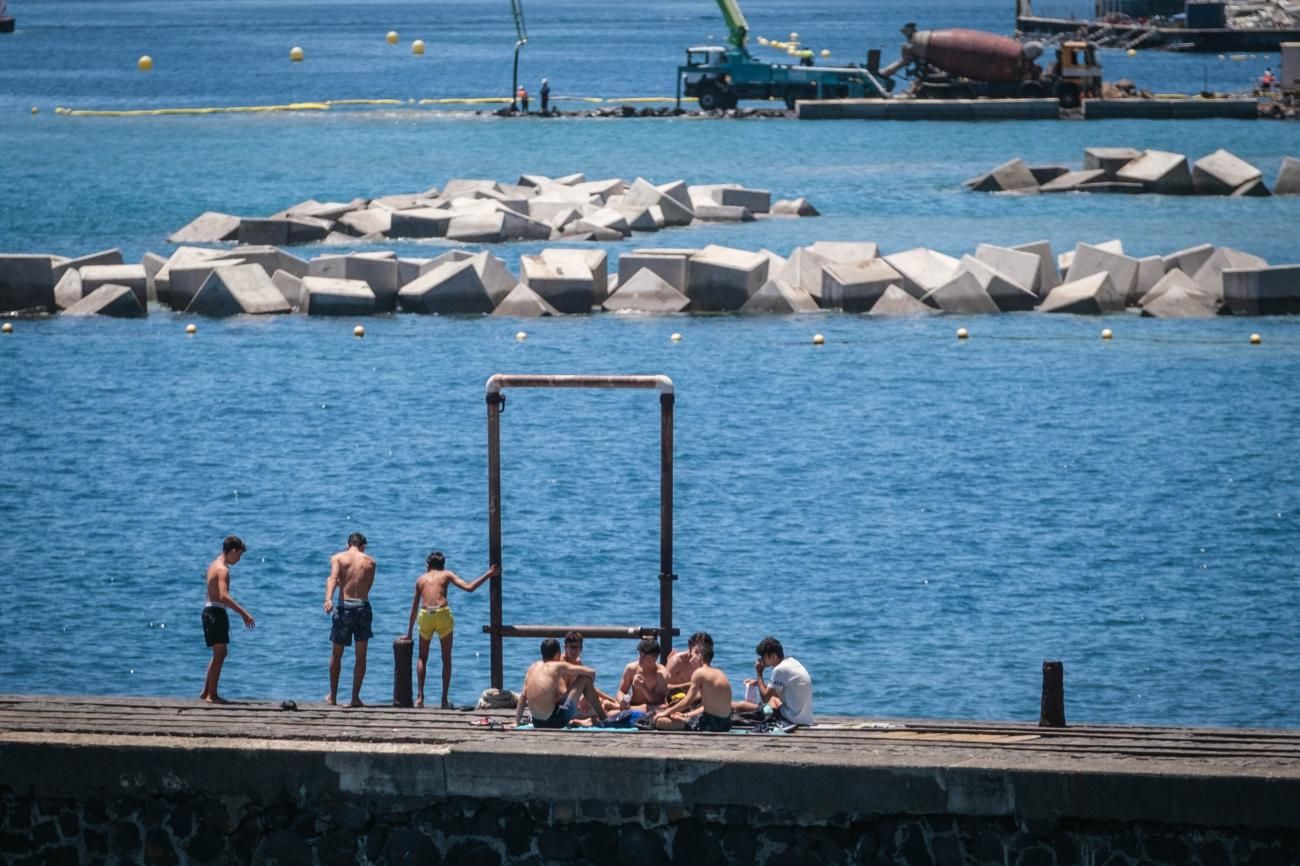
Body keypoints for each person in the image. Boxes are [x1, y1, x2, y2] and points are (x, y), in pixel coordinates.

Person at [404, 552, 499, 709]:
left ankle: (420, 698)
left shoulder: (421, 579)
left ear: (428, 565)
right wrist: (489, 574)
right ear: (443, 565)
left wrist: (409, 632)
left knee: (422, 657)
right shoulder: (446, 574)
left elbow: (414, 608)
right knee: (446, 657)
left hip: (426, 614)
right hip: (442, 614)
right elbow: (469, 588)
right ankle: (444, 700)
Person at [200, 536, 255, 703]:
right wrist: (243, 613)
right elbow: (223, 595)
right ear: (232, 551)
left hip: (210, 609)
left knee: (219, 653)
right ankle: (212, 695)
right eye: (238, 555)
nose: (238, 559)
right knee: (220, 653)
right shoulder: (223, 570)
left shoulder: (213, 565)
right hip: (215, 611)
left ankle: (206, 692)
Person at [324, 532, 376, 707]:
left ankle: (333, 696)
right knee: (360, 657)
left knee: (336, 654)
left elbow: (333, 578)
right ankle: (354, 697)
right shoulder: (370, 561)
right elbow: (368, 586)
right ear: (363, 546)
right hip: (362, 606)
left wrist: (328, 599)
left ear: (348, 545)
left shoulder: (338, 558)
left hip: (344, 607)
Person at [515, 638, 607, 728]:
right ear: (557, 654)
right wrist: (586, 699)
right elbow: (591, 672)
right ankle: (604, 718)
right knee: (585, 679)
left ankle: (587, 718)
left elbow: (523, 696)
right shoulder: (557, 666)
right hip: (554, 722)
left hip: (537, 722)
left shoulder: (532, 667)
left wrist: (516, 722)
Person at [654, 640, 733, 732]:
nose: (690, 660)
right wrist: (685, 715)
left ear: (699, 656)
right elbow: (707, 706)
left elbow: (687, 702)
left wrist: (665, 713)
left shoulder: (699, 673)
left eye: (692, 656)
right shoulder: (719, 672)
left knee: (659, 721)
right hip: (725, 724)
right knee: (676, 716)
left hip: (709, 724)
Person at [735, 636, 814, 726]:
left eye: (763, 657)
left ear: (773, 656)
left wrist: (759, 674)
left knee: (750, 706)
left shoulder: (779, 670)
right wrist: (758, 683)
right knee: (773, 699)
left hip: (792, 719)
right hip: (805, 719)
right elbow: (775, 691)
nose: (761, 660)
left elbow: (765, 698)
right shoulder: (792, 662)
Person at [604, 637, 668, 713]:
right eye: (640, 654)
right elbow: (621, 691)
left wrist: (643, 687)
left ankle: (618, 707)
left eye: (644, 656)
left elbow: (658, 701)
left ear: (654, 658)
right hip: (633, 704)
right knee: (611, 713)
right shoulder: (631, 668)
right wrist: (622, 701)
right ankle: (624, 708)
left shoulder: (661, 673)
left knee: (662, 708)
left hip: (651, 707)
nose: (640, 658)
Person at [665, 631, 713, 696]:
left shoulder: (704, 664)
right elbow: (664, 687)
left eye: (704, 651)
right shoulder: (677, 661)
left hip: (694, 699)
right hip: (674, 698)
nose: (700, 655)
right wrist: (690, 685)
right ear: (690, 646)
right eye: (697, 651)